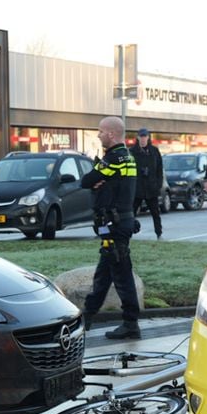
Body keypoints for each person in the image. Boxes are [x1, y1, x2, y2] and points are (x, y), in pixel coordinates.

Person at [80, 116, 142, 341]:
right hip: (116, 223)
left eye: (101, 131)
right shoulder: (127, 157)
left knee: (121, 274)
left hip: (115, 225)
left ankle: (130, 323)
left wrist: (98, 181)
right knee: (105, 272)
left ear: (112, 134)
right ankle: (87, 315)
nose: (98, 135)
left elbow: (87, 180)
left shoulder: (114, 159)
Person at [131, 127, 164, 239]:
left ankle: (159, 233)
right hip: (137, 187)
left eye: (145, 136)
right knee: (132, 212)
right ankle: (128, 234)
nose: (143, 139)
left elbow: (159, 169)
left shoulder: (154, 151)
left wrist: (158, 185)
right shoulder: (132, 152)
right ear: (138, 137)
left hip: (151, 187)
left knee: (155, 212)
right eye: (141, 136)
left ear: (148, 137)